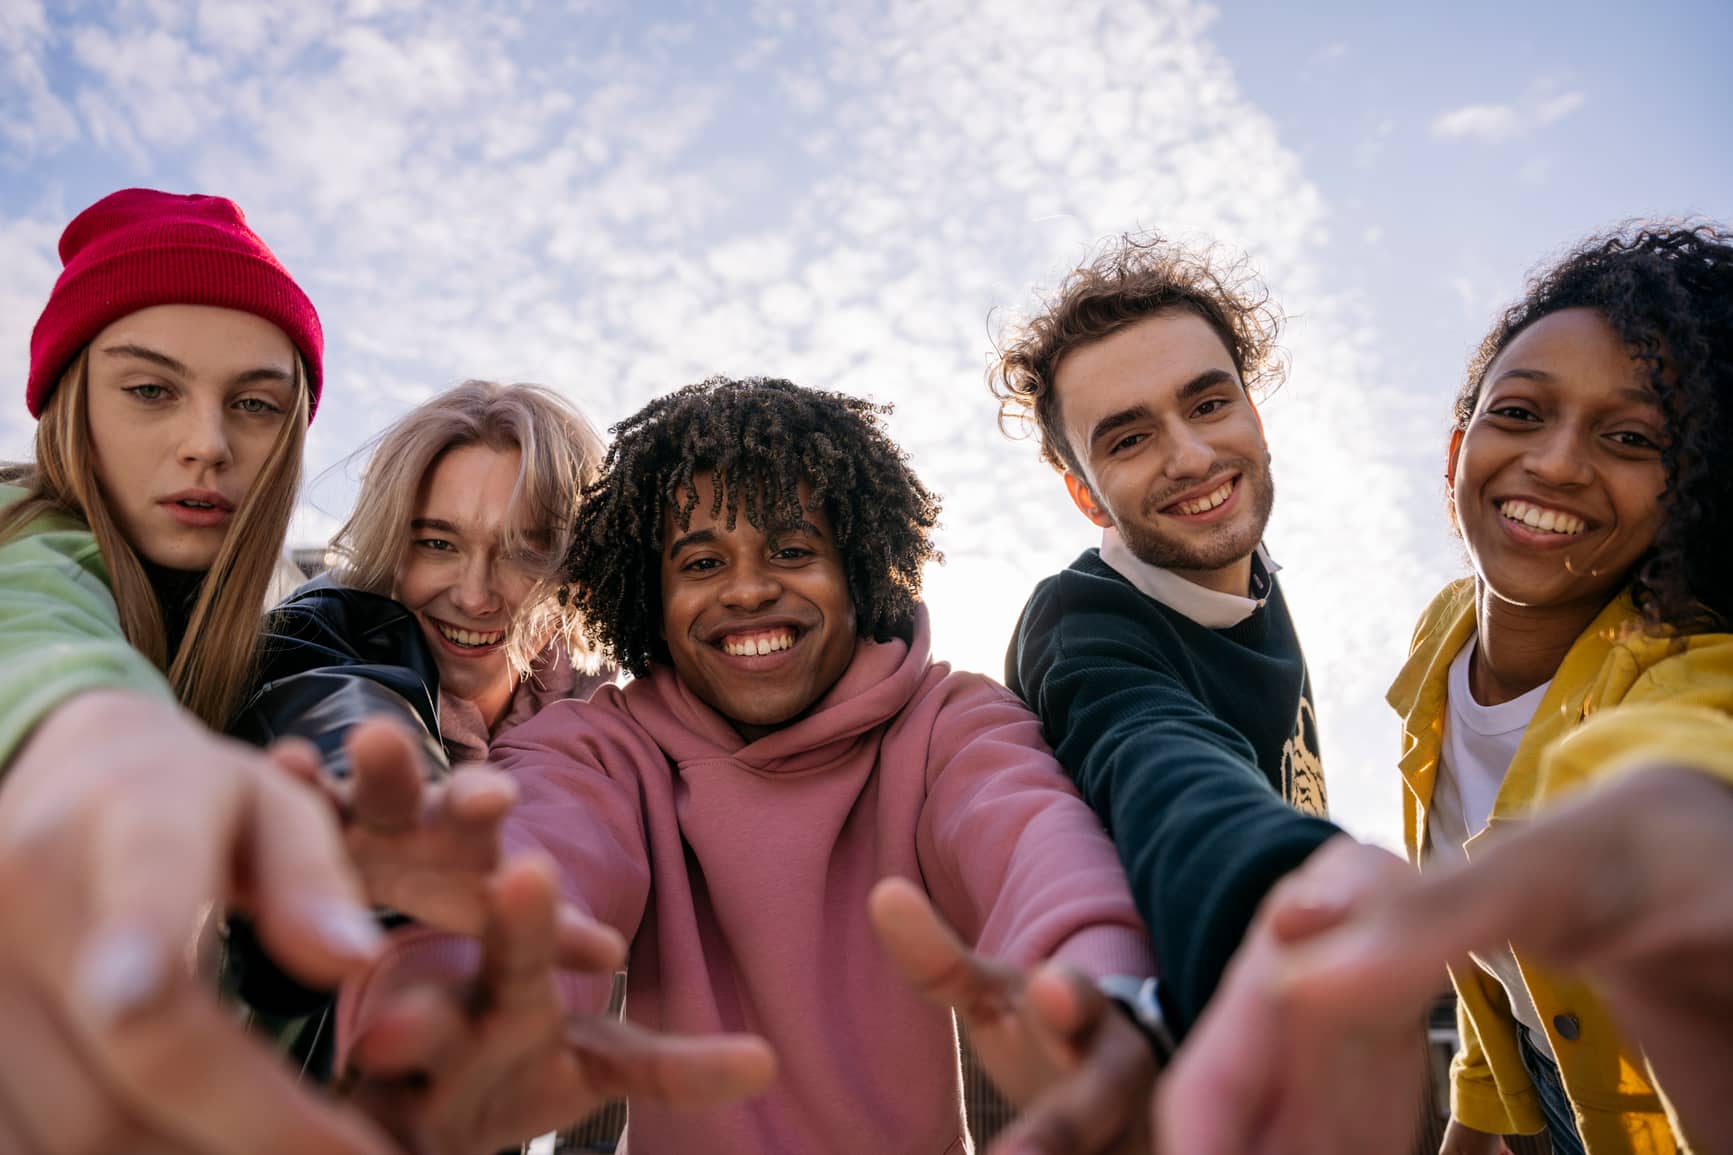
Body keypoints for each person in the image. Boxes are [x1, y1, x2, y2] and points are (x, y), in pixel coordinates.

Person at [338, 377, 1161, 1155]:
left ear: (859, 568)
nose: (746, 590)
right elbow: (542, 852)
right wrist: (460, 990)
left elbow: (1031, 839)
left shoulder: (948, 721)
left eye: (793, 549)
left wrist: (1105, 996)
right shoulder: (600, 747)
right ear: (648, 599)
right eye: (699, 563)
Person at [1160, 223, 1733, 1155]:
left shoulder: (1688, 664)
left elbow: (1687, 762)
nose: (1553, 461)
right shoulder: (1442, 635)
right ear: (1456, 447)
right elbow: (1492, 984)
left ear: (1689, 491)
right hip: (1545, 1090)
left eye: (1629, 436)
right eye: (1519, 413)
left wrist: (1665, 828)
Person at [0, 186, 396, 1154]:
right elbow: (42, 631)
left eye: (255, 405)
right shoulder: (28, 549)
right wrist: (102, 737)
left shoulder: (259, 639)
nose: (208, 444)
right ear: (69, 404)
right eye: (151, 390)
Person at [988, 233, 1388, 1048]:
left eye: (1208, 404)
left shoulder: (1246, 566)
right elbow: (1150, 752)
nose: (1193, 457)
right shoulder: (1079, 626)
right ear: (1084, 496)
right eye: (1128, 439)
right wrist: (1289, 885)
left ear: (1254, 414)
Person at [226, 379, 617, 1079]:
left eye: (524, 551)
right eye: (438, 542)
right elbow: (329, 706)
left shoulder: (607, 717)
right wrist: (386, 814)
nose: (473, 592)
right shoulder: (323, 629)